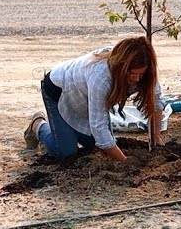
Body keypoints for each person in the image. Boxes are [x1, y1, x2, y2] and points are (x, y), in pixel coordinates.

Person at [23, 36, 165, 162]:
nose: (136, 79)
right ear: (121, 67)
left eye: (140, 74)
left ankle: (65, 132)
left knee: (97, 145)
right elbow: (99, 128)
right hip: (59, 91)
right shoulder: (101, 77)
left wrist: (156, 136)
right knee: (66, 153)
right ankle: (38, 125)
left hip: (86, 100)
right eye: (132, 73)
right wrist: (124, 161)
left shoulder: (146, 74)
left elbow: (157, 102)